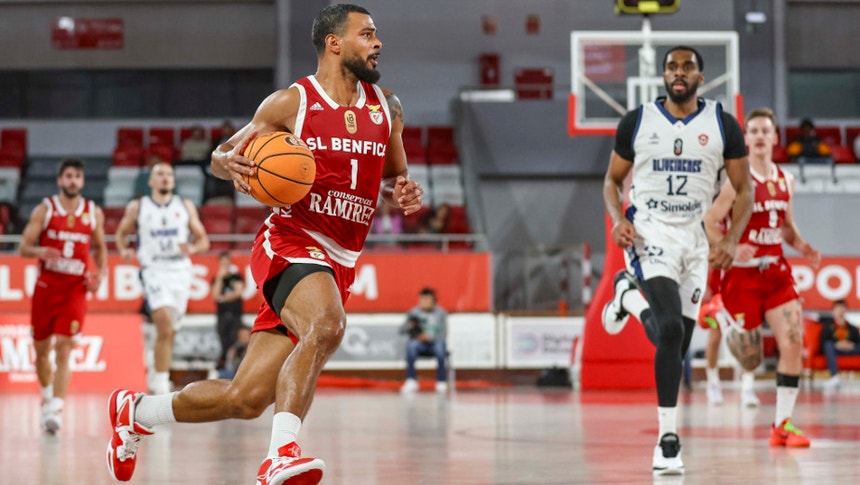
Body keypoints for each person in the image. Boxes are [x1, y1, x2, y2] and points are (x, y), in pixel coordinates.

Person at [105, 5, 424, 484]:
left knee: (246, 398)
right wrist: (226, 164)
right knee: (327, 323)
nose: (377, 43)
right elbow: (222, 156)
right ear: (335, 43)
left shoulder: (388, 107)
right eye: (367, 34)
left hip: (342, 259)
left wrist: (404, 189)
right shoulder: (291, 103)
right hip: (291, 241)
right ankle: (282, 453)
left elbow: (396, 174)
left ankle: (137, 411)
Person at [600, 46, 753, 476]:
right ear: (663, 75)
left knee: (677, 345)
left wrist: (732, 238)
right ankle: (668, 440)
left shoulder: (723, 124)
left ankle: (627, 297)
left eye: (687, 67)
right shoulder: (637, 121)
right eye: (672, 67)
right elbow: (612, 182)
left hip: (695, 238)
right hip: (650, 231)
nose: (679, 73)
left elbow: (745, 192)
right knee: (667, 330)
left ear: (701, 77)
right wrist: (617, 220)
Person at [703, 107, 821, 447]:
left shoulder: (787, 180)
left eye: (763, 131)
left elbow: (785, 225)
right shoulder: (736, 182)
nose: (757, 136)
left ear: (774, 137)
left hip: (776, 273)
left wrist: (803, 246)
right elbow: (709, 222)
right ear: (745, 138)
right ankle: (720, 314)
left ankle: (782, 424)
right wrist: (730, 245)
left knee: (793, 341)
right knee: (751, 359)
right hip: (742, 277)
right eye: (751, 131)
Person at [18, 159, 107, 434]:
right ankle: (46, 396)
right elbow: (23, 247)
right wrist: (39, 252)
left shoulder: (93, 212)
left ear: (82, 181)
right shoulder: (45, 209)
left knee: (65, 349)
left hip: (75, 290)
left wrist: (100, 274)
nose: (73, 181)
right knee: (42, 350)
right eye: (68, 176)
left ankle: (56, 407)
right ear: (59, 180)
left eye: (77, 176)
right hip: (47, 288)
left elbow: (101, 248)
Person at [114, 161, 210, 395]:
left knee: (170, 330)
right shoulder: (138, 207)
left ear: (174, 181)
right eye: (160, 174)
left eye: (169, 174)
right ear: (151, 181)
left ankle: (157, 365)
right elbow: (121, 234)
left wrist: (192, 249)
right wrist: (124, 248)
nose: (165, 178)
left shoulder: (184, 205)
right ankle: (159, 384)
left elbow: (203, 241)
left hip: (180, 271)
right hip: (154, 270)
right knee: (165, 324)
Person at [697, 268, 760, 407]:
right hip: (718, 295)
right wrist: (703, 284)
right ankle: (713, 383)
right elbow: (704, 258)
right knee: (714, 339)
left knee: (751, 339)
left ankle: (747, 386)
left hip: (742, 292)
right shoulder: (714, 251)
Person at [400, 287, 449, 393]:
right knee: (411, 345)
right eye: (422, 300)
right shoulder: (413, 312)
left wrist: (430, 338)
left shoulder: (441, 313)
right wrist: (410, 327)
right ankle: (411, 380)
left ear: (433, 301)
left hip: (435, 343)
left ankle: (441, 381)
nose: (425, 303)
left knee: (441, 347)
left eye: (428, 300)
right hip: (419, 344)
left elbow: (443, 333)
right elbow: (401, 330)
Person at [212, 251, 246, 370]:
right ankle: (224, 366)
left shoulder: (236, 277)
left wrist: (224, 298)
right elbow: (215, 295)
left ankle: (235, 365)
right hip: (222, 315)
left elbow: (238, 292)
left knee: (234, 339)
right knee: (223, 340)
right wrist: (220, 277)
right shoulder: (217, 279)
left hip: (235, 313)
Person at [818, 299, 860, 392]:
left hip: (850, 349)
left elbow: (857, 341)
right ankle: (834, 376)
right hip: (835, 349)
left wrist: (851, 345)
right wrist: (837, 344)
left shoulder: (851, 327)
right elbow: (823, 340)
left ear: (846, 310)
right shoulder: (827, 326)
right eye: (838, 308)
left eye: (843, 308)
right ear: (833, 310)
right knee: (828, 345)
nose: (840, 311)